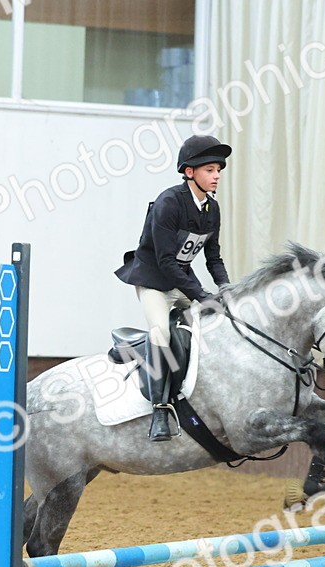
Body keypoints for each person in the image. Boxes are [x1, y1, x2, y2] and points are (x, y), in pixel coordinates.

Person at [115, 134, 232, 441]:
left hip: (180, 280)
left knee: (215, 327)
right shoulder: (169, 203)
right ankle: (159, 408)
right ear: (189, 172)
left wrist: (225, 287)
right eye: (210, 170)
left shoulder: (212, 209)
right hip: (154, 280)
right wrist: (202, 295)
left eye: (219, 169)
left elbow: (213, 256)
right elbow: (166, 261)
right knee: (162, 334)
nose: (217, 175)